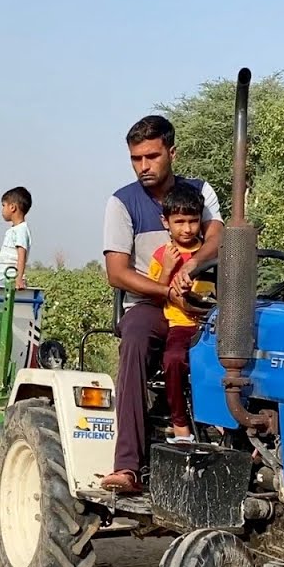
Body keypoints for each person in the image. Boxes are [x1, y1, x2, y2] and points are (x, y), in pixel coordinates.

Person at [101, 115, 225, 492]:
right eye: (136, 159)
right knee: (136, 338)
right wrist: (165, 290)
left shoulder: (199, 192)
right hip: (149, 302)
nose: (143, 167)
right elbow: (117, 273)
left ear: (172, 152)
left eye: (151, 157)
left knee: (248, 332)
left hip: (200, 297)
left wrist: (193, 268)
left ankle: (244, 445)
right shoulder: (122, 203)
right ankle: (127, 465)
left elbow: (219, 236)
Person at [147, 183, 215, 445]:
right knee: (174, 360)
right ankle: (179, 422)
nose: (187, 229)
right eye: (179, 221)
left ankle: (223, 422)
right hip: (180, 325)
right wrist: (168, 269)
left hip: (211, 326)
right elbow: (155, 294)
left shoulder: (209, 254)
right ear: (166, 222)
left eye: (193, 221)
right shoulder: (162, 255)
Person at [0, 186, 32, 290]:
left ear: (12, 207)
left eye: (3, 205)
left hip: (10, 279)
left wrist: (19, 279)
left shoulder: (21, 230)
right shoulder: (12, 230)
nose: (2, 210)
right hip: (2, 279)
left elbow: (21, 254)